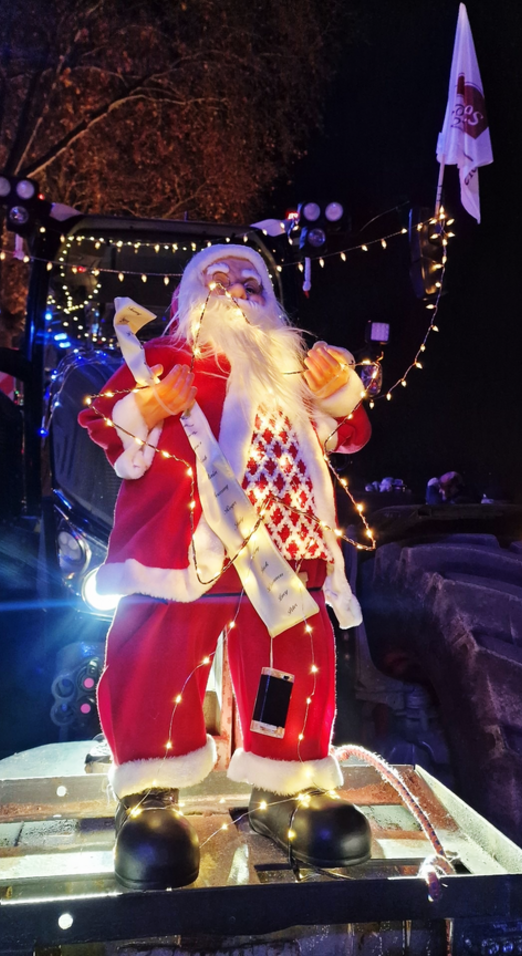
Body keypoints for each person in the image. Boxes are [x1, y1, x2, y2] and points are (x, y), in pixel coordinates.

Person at [79, 244, 372, 889]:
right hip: (190, 548)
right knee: (162, 656)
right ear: (191, 297)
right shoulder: (168, 357)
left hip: (289, 546)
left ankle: (287, 780)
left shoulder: (291, 367)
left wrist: (338, 395)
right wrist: (149, 407)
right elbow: (106, 421)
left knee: (290, 661)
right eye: (219, 280)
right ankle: (150, 788)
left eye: (251, 281)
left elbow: (344, 434)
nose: (237, 290)